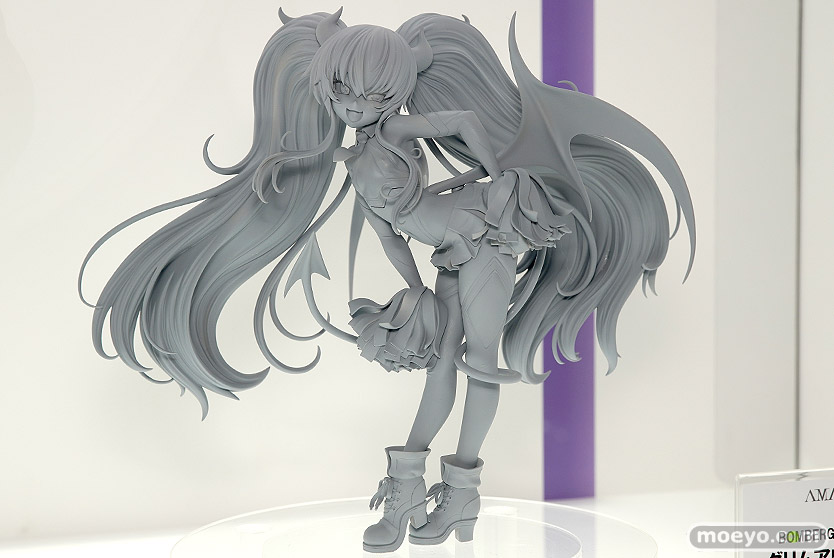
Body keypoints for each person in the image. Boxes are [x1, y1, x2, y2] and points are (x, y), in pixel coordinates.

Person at [80, 10, 694, 553]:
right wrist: (414, 286)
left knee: (479, 361)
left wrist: (495, 177)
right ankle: (415, 492)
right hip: (450, 250)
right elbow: (391, 236)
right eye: (342, 91)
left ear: (394, 94)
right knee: (443, 365)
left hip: (482, 234)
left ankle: (456, 492)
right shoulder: (351, 158)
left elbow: (461, 119)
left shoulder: (397, 131)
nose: (354, 106)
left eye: (372, 94)